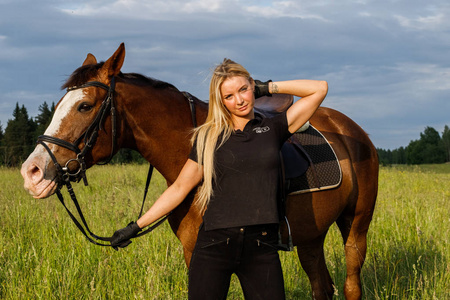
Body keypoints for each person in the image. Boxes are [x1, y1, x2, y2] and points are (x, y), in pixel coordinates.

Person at [111, 58, 328, 299]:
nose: (239, 100)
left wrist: (267, 87)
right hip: (213, 247)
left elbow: (319, 88)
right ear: (221, 101)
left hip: (262, 248)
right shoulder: (208, 138)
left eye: (244, 90)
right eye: (229, 96)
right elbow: (180, 188)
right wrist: (135, 226)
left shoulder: (273, 128)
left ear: (251, 87)